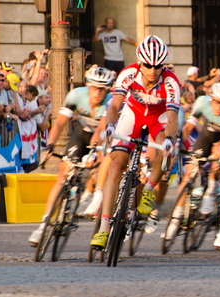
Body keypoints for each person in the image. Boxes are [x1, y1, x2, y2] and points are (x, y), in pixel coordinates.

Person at [90, 35, 181, 250]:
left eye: (157, 66)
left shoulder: (171, 82)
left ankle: (149, 189)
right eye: (148, 65)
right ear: (140, 63)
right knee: (115, 165)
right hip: (133, 113)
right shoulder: (128, 74)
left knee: (167, 151)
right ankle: (103, 229)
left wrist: (169, 140)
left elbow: (172, 118)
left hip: (158, 117)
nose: (152, 70)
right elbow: (114, 106)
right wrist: (109, 126)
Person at [28, 67, 115, 246]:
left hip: (105, 134)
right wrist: (49, 145)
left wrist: (95, 151)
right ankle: (43, 225)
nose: (98, 92)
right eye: (94, 87)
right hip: (82, 132)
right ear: (88, 86)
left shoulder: (111, 101)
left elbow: (101, 129)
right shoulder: (76, 95)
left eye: (102, 89)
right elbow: (59, 122)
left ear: (107, 89)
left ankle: (93, 194)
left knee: (100, 162)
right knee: (62, 176)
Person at [164, 83, 220, 238]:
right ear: (211, 99)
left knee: (216, 159)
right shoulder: (202, 102)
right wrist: (177, 146)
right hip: (207, 135)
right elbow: (189, 127)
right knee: (188, 174)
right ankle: (175, 219)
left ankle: (211, 189)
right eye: (217, 102)